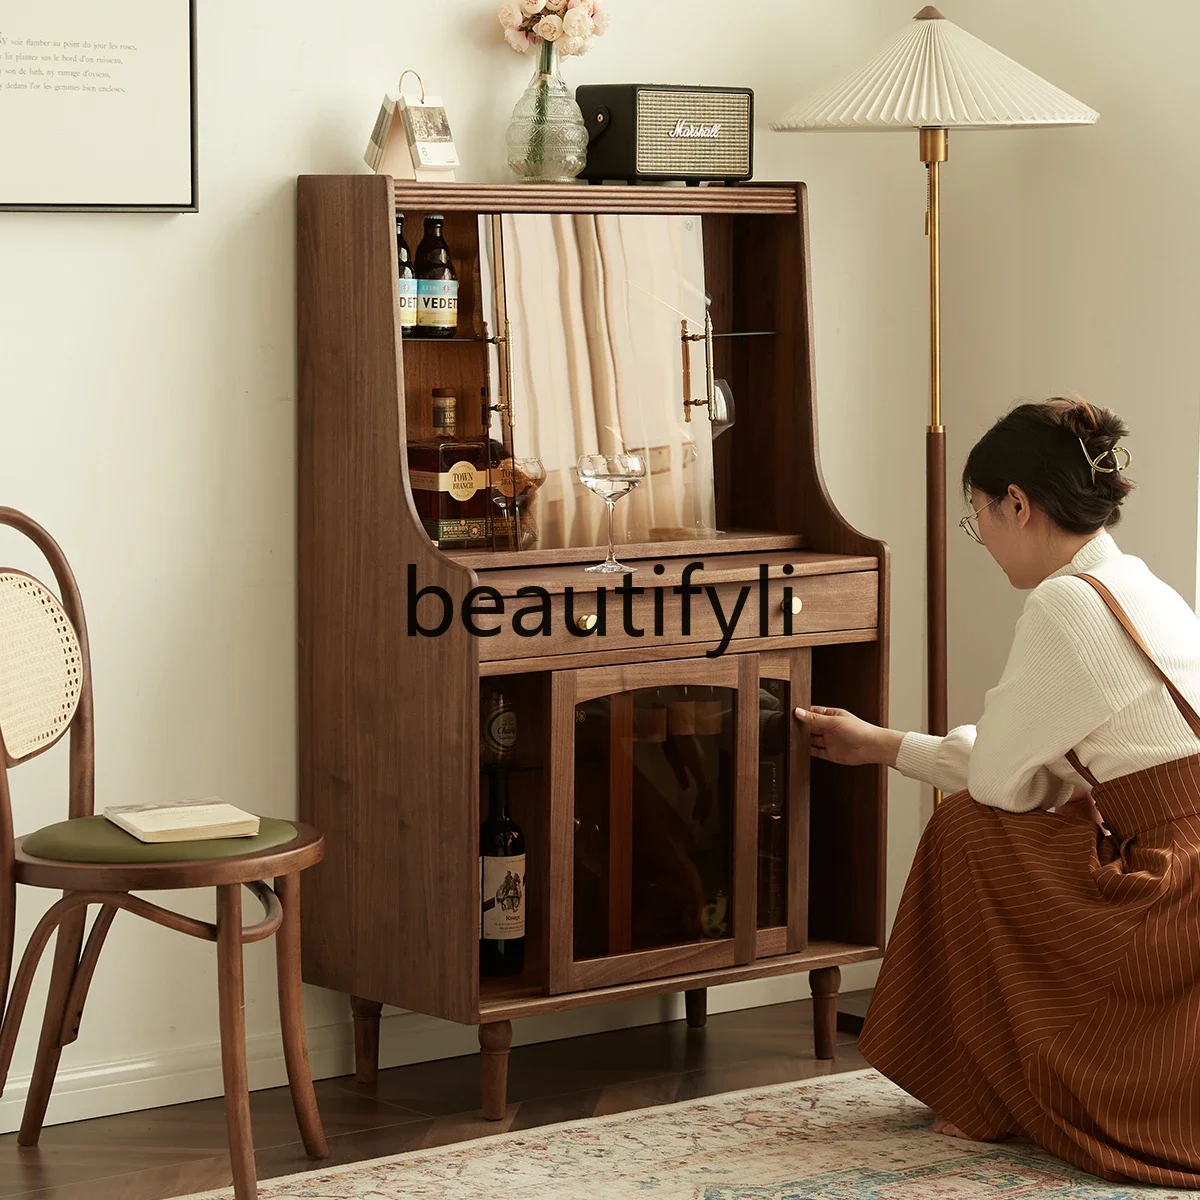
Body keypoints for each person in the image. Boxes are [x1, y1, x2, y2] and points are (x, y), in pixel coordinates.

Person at [794, 397, 1200, 1187]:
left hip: (1172, 890)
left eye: (977, 516)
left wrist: (884, 748)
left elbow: (1001, 784)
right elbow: (1049, 765)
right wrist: (884, 745)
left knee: (968, 833)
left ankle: (989, 1093)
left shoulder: (1065, 604)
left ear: (1017, 503)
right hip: (1186, 861)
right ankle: (998, 1087)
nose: (981, 540)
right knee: (1007, 826)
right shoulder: (1141, 583)